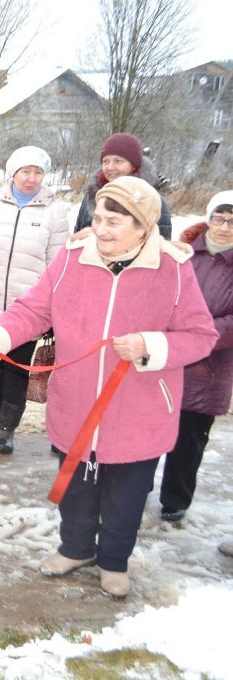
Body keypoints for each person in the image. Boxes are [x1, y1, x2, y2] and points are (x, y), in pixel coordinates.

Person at [0, 176, 217, 599]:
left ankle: (114, 562)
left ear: (143, 227)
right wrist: (0, 335)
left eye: (114, 222)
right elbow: (34, 308)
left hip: (139, 410)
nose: (101, 229)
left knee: (126, 496)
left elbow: (201, 336)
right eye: (99, 218)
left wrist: (150, 345)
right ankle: (76, 549)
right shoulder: (71, 258)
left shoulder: (174, 270)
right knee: (76, 487)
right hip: (77, 403)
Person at [0, 146, 69, 454]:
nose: (31, 179)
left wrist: (53, 309)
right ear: (12, 174)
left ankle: (6, 429)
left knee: (17, 369)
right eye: (24, 172)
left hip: (29, 308)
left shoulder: (54, 213)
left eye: (37, 172)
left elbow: (58, 265)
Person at [158, 191, 233, 522]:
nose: (225, 227)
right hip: (167, 359)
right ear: (208, 217)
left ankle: (175, 501)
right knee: (148, 427)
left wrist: (197, 335)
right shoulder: (183, 253)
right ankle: (136, 486)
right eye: (219, 218)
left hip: (208, 367)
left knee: (188, 440)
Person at [74, 132, 172, 239]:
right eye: (105, 161)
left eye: (118, 161)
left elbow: (160, 247)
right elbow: (78, 233)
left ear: (133, 166)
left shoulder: (152, 201)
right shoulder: (92, 194)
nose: (110, 167)